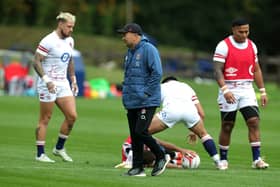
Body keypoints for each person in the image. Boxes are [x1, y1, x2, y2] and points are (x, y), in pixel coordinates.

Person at [213, 18, 269, 169]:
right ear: (233, 30)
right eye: (241, 31)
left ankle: (257, 159)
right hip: (229, 88)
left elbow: (256, 69)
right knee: (227, 125)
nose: (244, 35)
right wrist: (225, 90)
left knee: (253, 121)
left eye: (247, 31)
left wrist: (262, 90)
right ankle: (223, 160)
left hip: (247, 89)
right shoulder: (223, 45)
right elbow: (217, 70)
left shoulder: (252, 46)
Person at [117, 23, 169, 177]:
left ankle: (161, 155)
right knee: (134, 135)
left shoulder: (149, 49)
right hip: (132, 100)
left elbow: (157, 73)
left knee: (141, 131)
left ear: (134, 34)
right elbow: (129, 77)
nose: (123, 37)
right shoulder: (129, 52)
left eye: (124, 34)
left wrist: (146, 93)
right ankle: (137, 168)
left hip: (146, 100)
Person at [148, 76, 226, 170]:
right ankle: (218, 162)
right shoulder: (186, 86)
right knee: (204, 134)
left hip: (171, 111)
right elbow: (201, 113)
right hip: (190, 112)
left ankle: (158, 157)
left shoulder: (161, 87)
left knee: (143, 132)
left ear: (165, 82)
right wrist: (194, 131)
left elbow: (152, 106)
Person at [33, 12, 78, 163]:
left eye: (73, 27)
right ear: (60, 24)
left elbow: (70, 60)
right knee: (45, 118)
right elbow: (36, 61)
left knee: (72, 116)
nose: (71, 30)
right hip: (48, 83)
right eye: (69, 26)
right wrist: (46, 80)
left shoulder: (70, 40)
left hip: (63, 83)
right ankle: (40, 154)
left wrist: (73, 79)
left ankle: (59, 148)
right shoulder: (48, 40)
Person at [115, 136, 196, 169]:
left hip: (147, 156)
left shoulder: (142, 135)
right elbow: (153, 163)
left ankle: (175, 156)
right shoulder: (130, 150)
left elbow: (162, 143)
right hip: (140, 158)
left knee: (160, 149)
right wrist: (178, 166)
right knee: (159, 156)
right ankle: (174, 159)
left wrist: (182, 150)